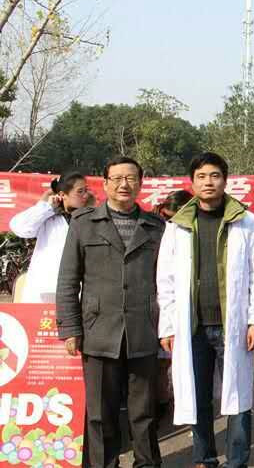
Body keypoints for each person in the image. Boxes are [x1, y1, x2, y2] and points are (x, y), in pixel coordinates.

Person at [157, 152, 254, 468]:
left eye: (215, 175)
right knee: (197, 396)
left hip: (232, 325)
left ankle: (237, 460)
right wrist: (168, 326)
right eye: (201, 176)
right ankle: (205, 458)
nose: (208, 182)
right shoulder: (178, 225)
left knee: (238, 396)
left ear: (225, 180)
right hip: (191, 327)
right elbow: (165, 280)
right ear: (192, 182)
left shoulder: (246, 221)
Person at [56, 156, 164, 468]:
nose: (123, 184)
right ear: (104, 184)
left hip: (143, 330)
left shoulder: (156, 227)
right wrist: (70, 329)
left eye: (130, 178)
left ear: (140, 183)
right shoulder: (84, 224)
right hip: (98, 331)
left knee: (144, 412)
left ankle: (147, 464)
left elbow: (167, 282)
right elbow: (68, 279)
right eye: (116, 178)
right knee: (100, 414)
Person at [10, 172, 91, 303]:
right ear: (62, 195)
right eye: (80, 191)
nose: (85, 195)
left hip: (79, 291)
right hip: (46, 289)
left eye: (86, 190)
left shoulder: (90, 218)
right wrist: (46, 207)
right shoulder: (47, 217)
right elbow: (19, 228)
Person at [151, 189, 193, 414]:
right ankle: (162, 401)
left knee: (175, 360)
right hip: (156, 297)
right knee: (161, 359)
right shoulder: (159, 227)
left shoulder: (189, 229)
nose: (171, 222)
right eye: (168, 218)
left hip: (179, 301)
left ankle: (173, 399)